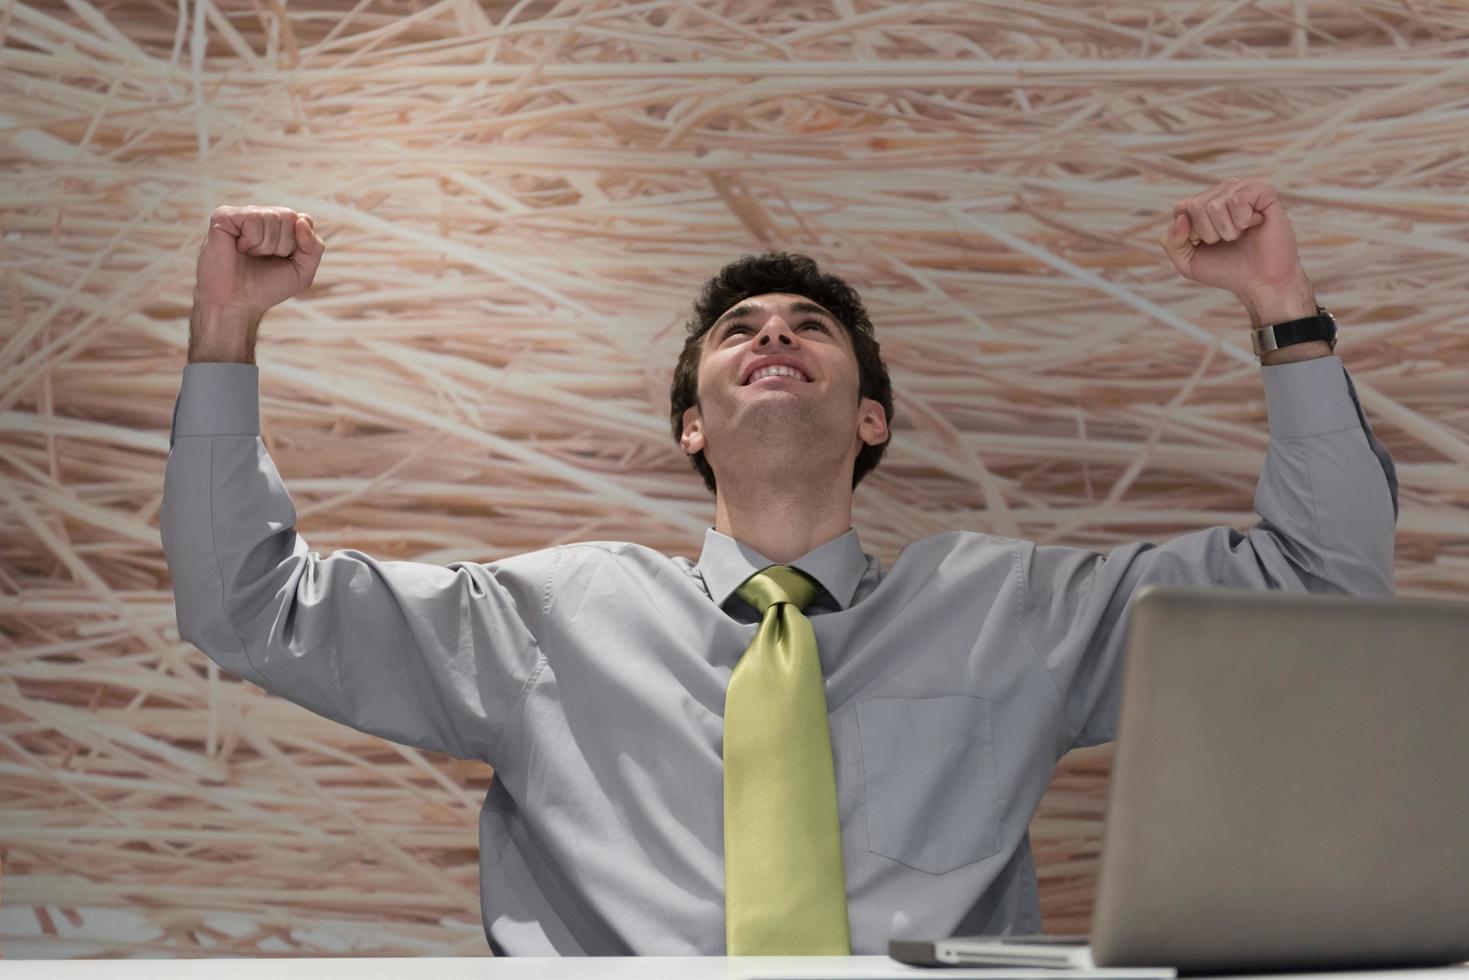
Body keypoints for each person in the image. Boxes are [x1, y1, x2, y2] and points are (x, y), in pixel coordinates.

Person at [161, 178, 1397, 956]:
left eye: (810, 328)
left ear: (870, 420)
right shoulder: (542, 617)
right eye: (736, 329)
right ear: (691, 426)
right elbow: (246, 605)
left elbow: (1317, 578)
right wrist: (227, 334)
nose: (772, 335)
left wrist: (1280, 310)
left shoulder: (1008, 608)